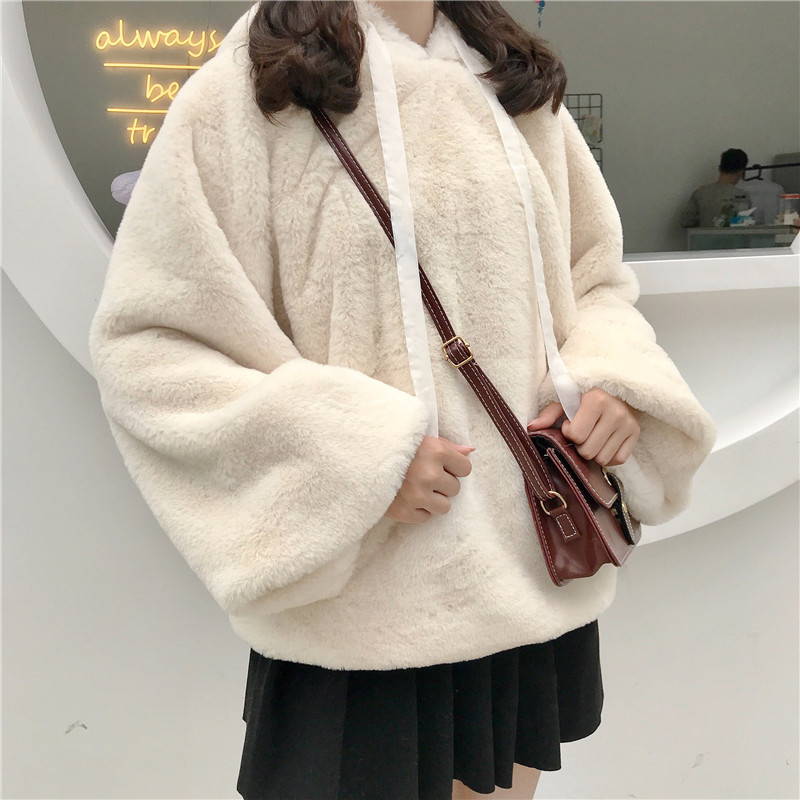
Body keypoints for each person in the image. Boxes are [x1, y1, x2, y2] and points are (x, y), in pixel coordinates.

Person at [87, 1, 717, 798]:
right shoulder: (252, 91)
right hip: (365, 610)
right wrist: (357, 462)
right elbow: (153, 344)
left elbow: (592, 278)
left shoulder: (512, 82)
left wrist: (609, 381)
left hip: (530, 571)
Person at [680, 148, 753, 228]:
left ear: (719, 169)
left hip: (704, 236)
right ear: (741, 171)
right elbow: (747, 226)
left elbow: (686, 222)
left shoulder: (700, 193)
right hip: (734, 236)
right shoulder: (742, 196)